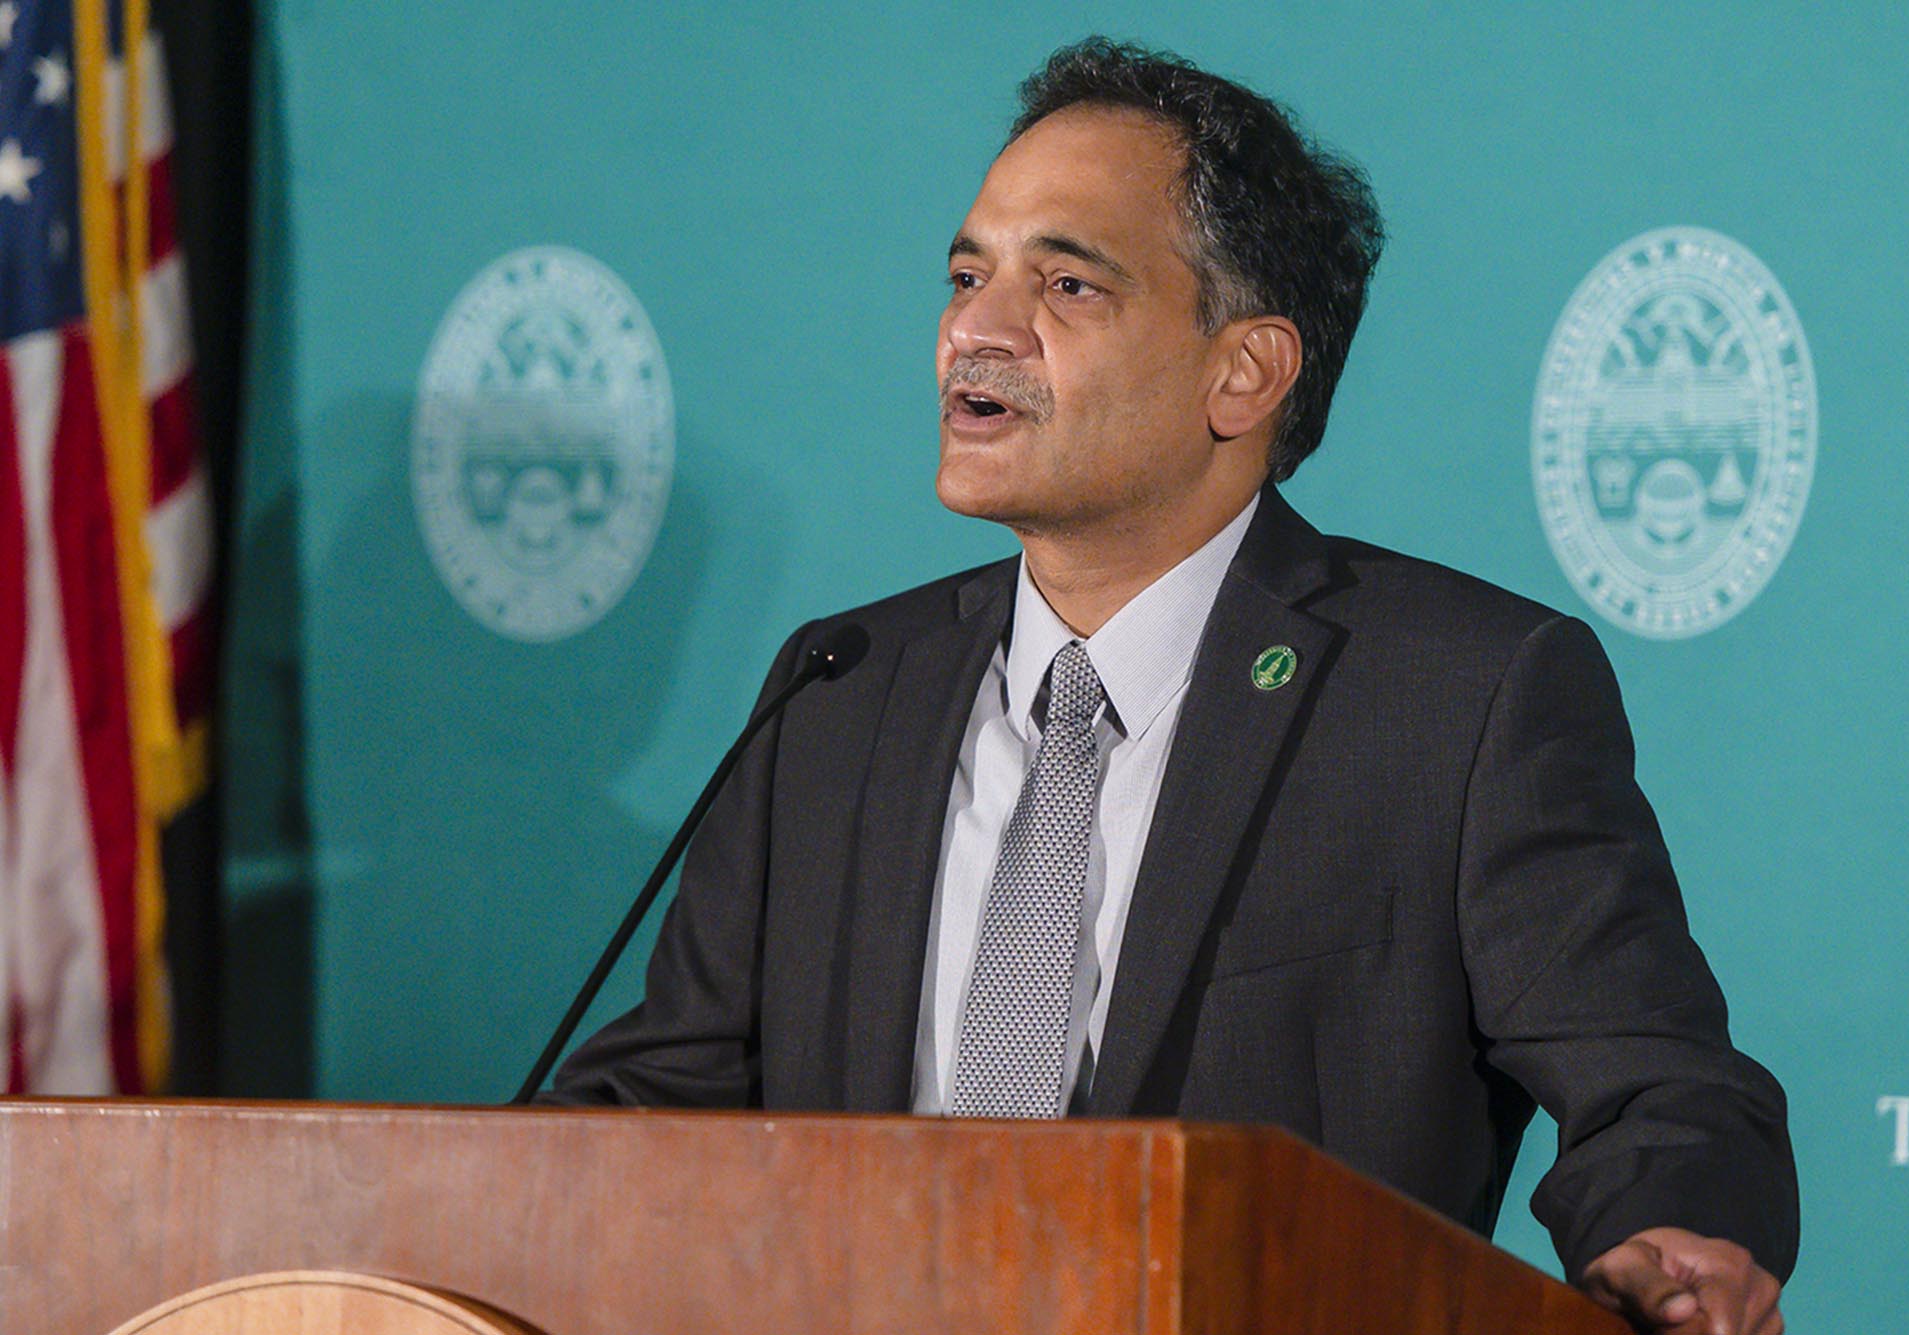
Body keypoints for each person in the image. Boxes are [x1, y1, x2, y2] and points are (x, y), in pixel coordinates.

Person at [546, 37, 1797, 1335]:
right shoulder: (841, 690)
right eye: (968, 273)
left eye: (1068, 283)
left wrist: (1676, 1237)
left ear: (1242, 373)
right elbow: (655, 1115)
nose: (974, 328)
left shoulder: (1459, 696)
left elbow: (1657, 1085)